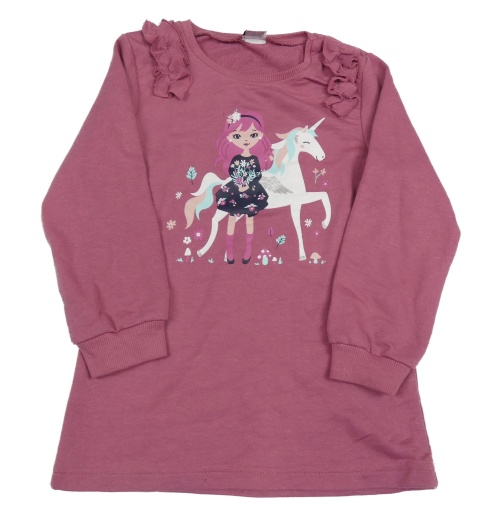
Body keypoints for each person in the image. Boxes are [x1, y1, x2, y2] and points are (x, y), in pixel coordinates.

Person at [214, 108, 272, 264]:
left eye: (252, 135)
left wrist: (247, 184)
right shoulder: (236, 159)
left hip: (251, 190)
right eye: (238, 136)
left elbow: (257, 174)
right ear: (230, 137)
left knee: (249, 220)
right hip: (235, 189)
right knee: (231, 219)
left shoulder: (255, 159)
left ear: (260, 136)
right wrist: (240, 184)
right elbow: (232, 172)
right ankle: (230, 252)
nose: (246, 139)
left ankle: (248, 252)